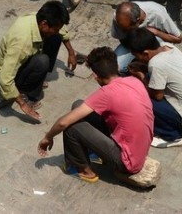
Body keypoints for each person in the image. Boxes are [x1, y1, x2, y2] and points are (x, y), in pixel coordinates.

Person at [37, 47, 154, 183]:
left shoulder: (107, 93)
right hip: (140, 149)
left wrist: (48, 137)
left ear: (95, 75)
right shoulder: (134, 81)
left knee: (71, 127)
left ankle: (83, 170)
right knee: (78, 105)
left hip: (126, 162)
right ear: (116, 66)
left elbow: (63, 123)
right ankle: (95, 153)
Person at [0, 1, 78, 121]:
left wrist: (71, 52)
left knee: (55, 38)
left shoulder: (37, 17)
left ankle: (35, 77)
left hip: (23, 58)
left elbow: (61, 31)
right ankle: (29, 93)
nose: (57, 30)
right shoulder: (22, 44)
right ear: (44, 24)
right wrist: (22, 104)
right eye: (55, 28)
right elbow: (5, 79)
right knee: (42, 61)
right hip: (9, 73)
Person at [128, 28, 182, 148]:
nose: (138, 58)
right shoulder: (167, 47)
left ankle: (172, 136)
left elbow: (158, 96)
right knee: (151, 80)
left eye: (137, 56)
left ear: (145, 53)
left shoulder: (156, 64)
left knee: (139, 95)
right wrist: (144, 68)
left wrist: (141, 76)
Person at [111, 1, 182, 74]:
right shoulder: (119, 19)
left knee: (154, 69)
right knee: (116, 68)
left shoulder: (158, 14)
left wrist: (156, 32)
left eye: (126, 29)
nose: (123, 30)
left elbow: (178, 39)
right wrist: (136, 54)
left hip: (154, 43)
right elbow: (122, 38)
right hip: (132, 45)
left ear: (138, 21)